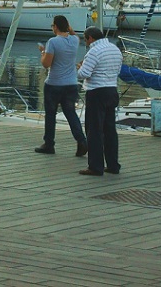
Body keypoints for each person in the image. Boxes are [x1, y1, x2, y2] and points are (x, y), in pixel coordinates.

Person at [35, 15, 88, 157]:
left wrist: (42, 52)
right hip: (71, 83)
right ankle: (82, 140)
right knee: (70, 113)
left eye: (53, 26)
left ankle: (49, 144)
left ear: (56, 27)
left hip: (54, 84)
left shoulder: (53, 42)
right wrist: (70, 29)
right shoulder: (74, 40)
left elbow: (46, 64)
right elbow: (74, 34)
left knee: (51, 114)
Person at [77, 25, 122, 176]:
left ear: (90, 38)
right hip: (112, 90)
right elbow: (117, 70)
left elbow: (84, 74)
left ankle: (95, 166)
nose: (86, 43)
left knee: (94, 130)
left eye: (85, 40)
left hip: (96, 92)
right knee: (110, 130)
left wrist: (80, 67)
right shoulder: (115, 49)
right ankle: (113, 164)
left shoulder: (94, 52)